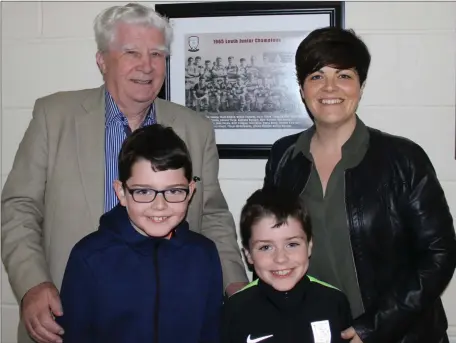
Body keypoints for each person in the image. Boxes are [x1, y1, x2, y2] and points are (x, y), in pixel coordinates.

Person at [1, 3, 248, 343]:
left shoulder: (195, 128)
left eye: (157, 54)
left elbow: (214, 215)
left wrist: (235, 287)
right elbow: (19, 207)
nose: (146, 66)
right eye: (131, 52)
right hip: (68, 313)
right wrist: (32, 283)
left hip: (170, 318)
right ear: (102, 60)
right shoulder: (54, 116)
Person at [263, 26, 456, 343]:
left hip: (399, 334)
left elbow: (439, 254)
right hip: (316, 329)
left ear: (361, 86)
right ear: (301, 88)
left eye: (343, 75)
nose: (329, 87)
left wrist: (374, 326)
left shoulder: (403, 159)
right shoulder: (284, 156)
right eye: (316, 76)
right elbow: (271, 240)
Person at [56, 124, 223, 343]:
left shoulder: (204, 254)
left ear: (190, 191)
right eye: (143, 191)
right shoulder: (89, 257)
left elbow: (211, 333)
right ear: (121, 193)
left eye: (174, 191)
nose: (160, 206)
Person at [222, 188, 352, 343]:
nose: (280, 258)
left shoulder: (334, 302)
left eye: (292, 244)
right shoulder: (235, 310)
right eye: (266, 247)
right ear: (248, 254)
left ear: (309, 245)